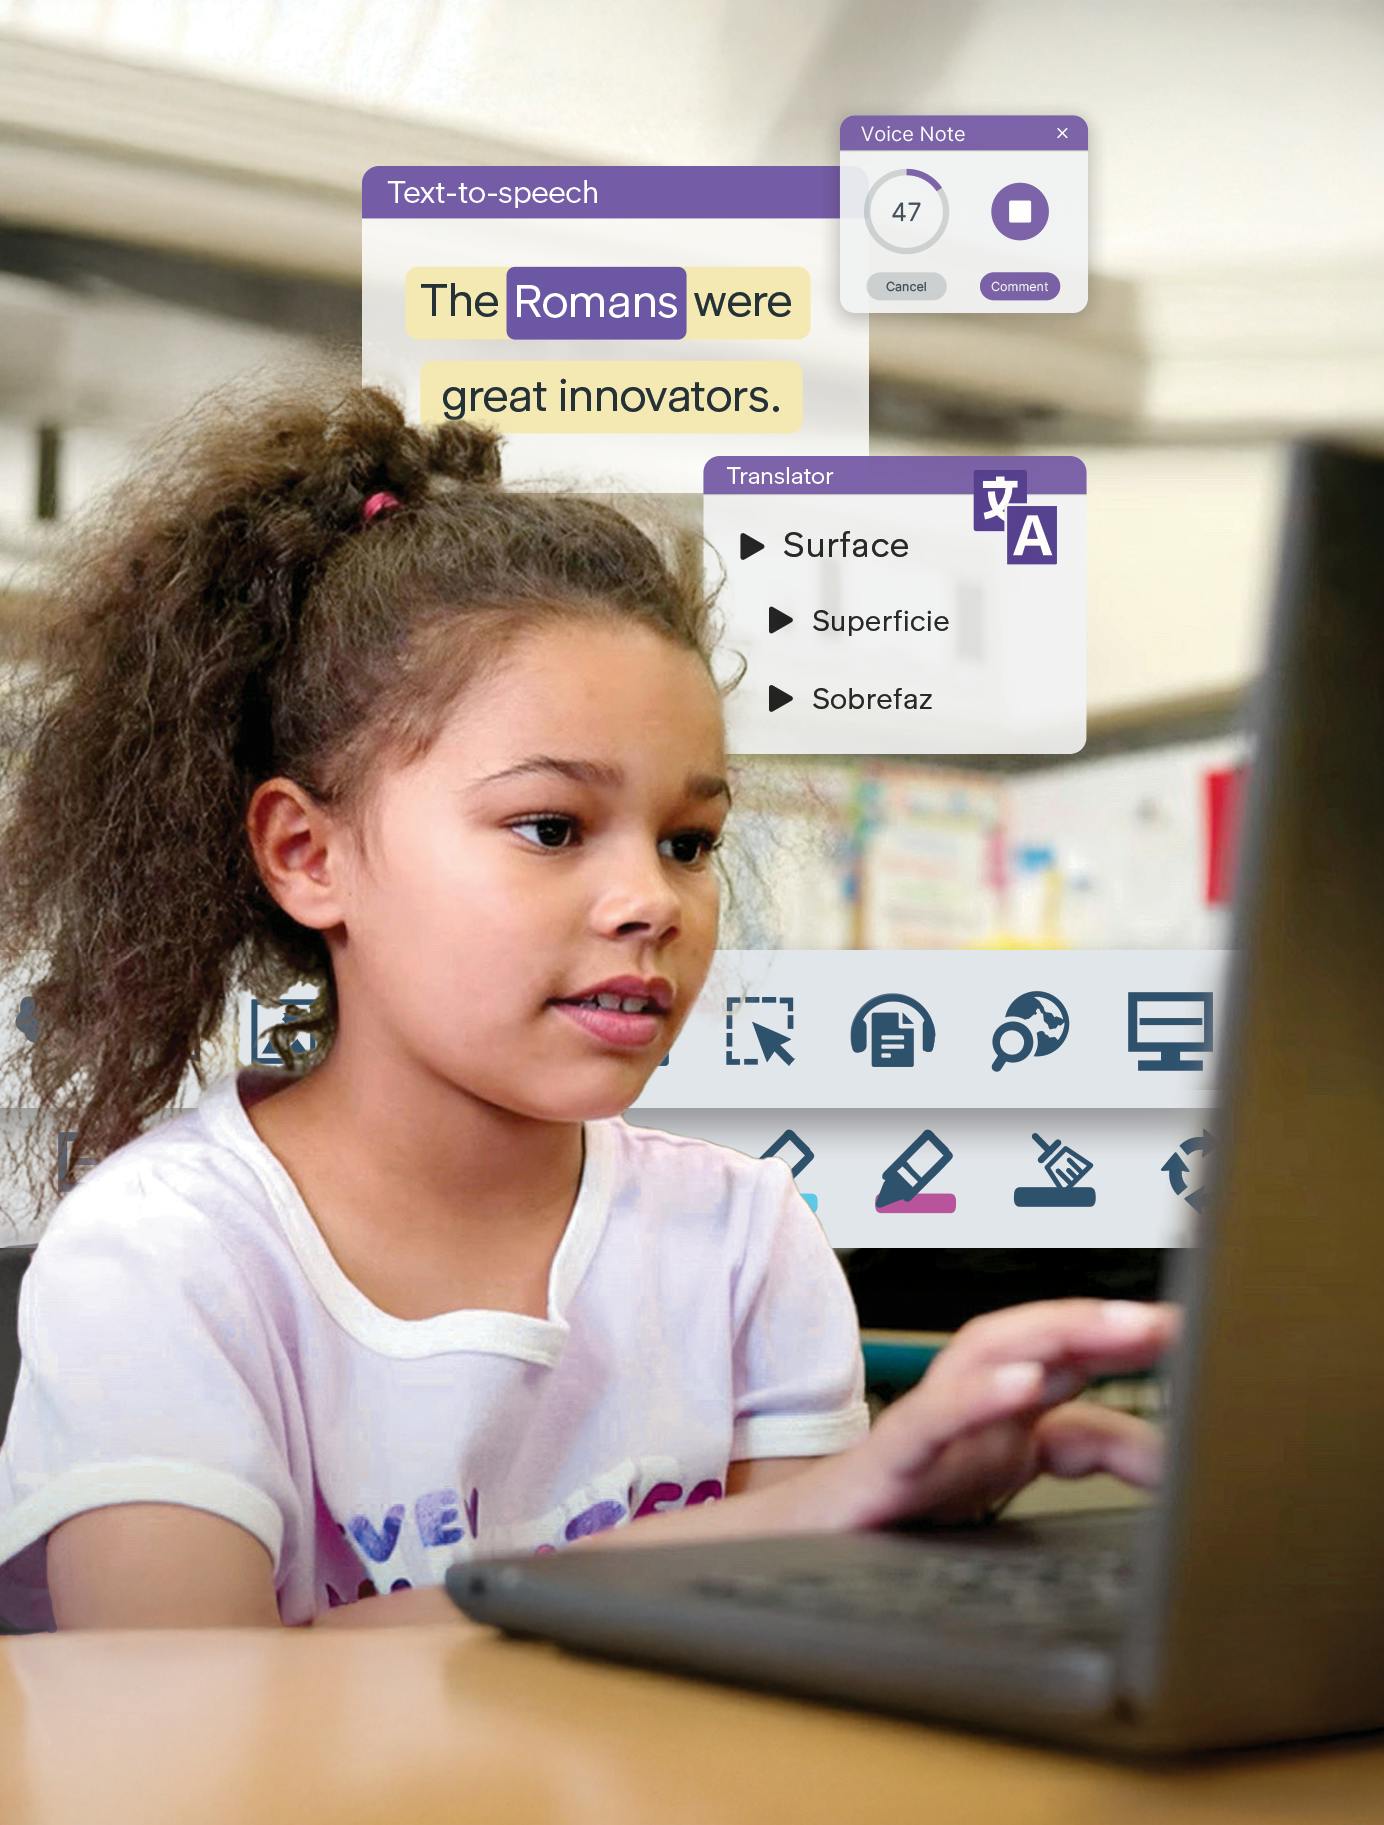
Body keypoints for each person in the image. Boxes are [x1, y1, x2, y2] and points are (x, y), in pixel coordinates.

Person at [0, 371, 1174, 1632]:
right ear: (308, 855)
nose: (651, 901)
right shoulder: (165, 1254)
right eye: (551, 826)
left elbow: (787, 1647)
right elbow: (185, 1704)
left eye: (688, 840)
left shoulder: (744, 1238)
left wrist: (905, 1510)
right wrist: (812, 1512)